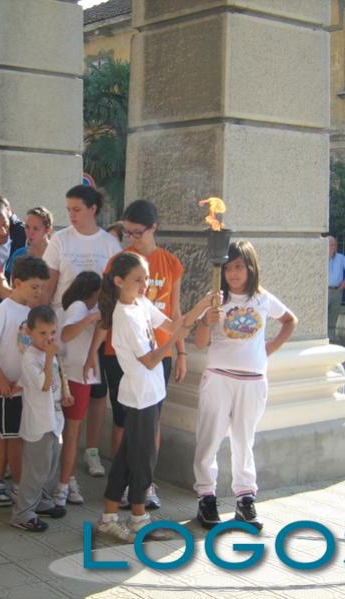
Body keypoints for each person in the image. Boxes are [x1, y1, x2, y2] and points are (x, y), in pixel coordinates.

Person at [95, 252, 216, 542]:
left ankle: (109, 518)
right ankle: (139, 519)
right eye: (138, 279)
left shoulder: (141, 304)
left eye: (146, 278)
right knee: (142, 459)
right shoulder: (124, 316)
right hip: (140, 395)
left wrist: (202, 305)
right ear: (119, 281)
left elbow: (174, 326)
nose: (145, 284)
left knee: (128, 457)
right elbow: (150, 360)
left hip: (149, 392)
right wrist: (173, 341)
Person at [86, 199, 187, 508]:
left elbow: (174, 312)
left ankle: (145, 484)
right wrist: (92, 353)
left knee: (151, 421)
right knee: (124, 420)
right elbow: (106, 310)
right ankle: (123, 484)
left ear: (154, 228)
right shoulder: (118, 262)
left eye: (137, 233)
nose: (131, 238)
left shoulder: (171, 263)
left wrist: (181, 353)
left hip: (158, 351)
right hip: (121, 353)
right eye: (126, 232)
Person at [193, 240, 297, 532]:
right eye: (228, 268)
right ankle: (206, 496)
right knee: (209, 438)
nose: (233, 274)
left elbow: (290, 320)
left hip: (252, 380)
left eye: (238, 267)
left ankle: (245, 498)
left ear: (250, 268)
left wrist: (268, 348)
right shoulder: (215, 299)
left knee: (243, 440)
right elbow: (200, 343)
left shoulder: (262, 299)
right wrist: (205, 321)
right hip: (219, 377)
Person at [44, 184, 121, 477]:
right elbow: (49, 284)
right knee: (65, 391)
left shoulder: (110, 244)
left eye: (77, 209)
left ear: (93, 209)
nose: (72, 215)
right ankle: (62, 456)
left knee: (97, 391)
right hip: (64, 328)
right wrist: (42, 322)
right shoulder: (60, 240)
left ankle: (91, 451)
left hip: (99, 329)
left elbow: (117, 289)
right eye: (69, 210)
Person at [0, 256, 50, 507]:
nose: (39, 292)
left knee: (9, 437)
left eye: (42, 287)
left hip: (24, 387)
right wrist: (1, 379)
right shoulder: (4, 309)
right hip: (6, 389)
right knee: (10, 438)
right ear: (17, 283)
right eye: (34, 287)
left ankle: (0, 482)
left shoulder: (32, 313)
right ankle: (20, 489)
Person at [11, 305, 68, 531]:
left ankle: (42, 501)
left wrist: (64, 395)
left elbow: (54, 383)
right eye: (42, 333)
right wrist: (50, 356)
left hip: (54, 419)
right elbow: (44, 384)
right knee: (35, 469)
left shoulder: (47, 355)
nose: (48, 338)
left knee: (50, 466)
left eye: (52, 332)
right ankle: (22, 513)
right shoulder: (30, 357)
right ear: (29, 332)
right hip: (39, 422)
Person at [55, 271, 102, 507]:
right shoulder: (79, 307)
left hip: (74, 374)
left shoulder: (70, 306)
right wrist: (90, 318)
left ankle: (65, 480)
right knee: (71, 433)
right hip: (75, 375)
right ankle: (65, 484)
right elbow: (67, 334)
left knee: (69, 432)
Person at [4, 207, 53, 278]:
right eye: (27, 227)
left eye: (35, 228)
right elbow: (10, 282)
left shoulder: (57, 254)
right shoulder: (19, 254)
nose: (30, 233)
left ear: (48, 230)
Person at [327, 235, 345, 342]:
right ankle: (321, 336)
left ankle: (331, 336)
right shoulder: (320, 256)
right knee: (322, 315)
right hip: (324, 291)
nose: (333, 247)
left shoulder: (341, 258)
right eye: (331, 245)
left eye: (334, 245)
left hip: (337, 290)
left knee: (334, 314)